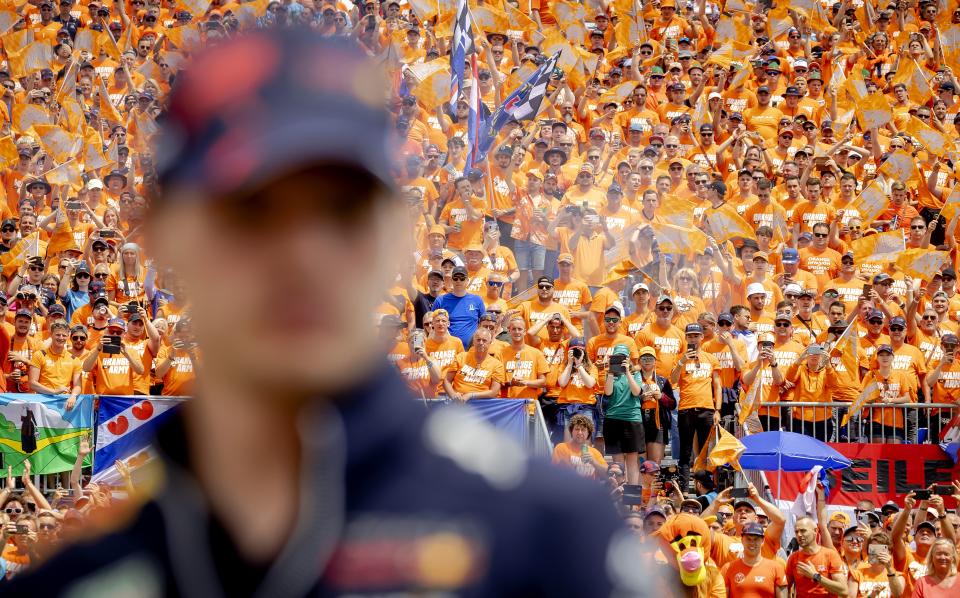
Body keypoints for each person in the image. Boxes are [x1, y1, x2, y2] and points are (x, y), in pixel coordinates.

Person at [7, 32, 624, 596]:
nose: (304, 257)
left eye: (342, 213)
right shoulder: (79, 584)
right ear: (162, 238)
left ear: (394, 241)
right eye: (252, 210)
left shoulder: (548, 545)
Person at [602, 344, 645, 484]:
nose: (620, 361)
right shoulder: (610, 374)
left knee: (632, 460)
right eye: (617, 357)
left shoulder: (635, 373)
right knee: (617, 463)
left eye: (623, 357)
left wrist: (627, 371)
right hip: (613, 419)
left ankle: (631, 496)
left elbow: (636, 392)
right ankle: (619, 492)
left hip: (631, 418)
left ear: (628, 358)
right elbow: (608, 393)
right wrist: (610, 371)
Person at [720, 522, 788, 598]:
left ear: (762, 541)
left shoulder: (776, 568)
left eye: (756, 539)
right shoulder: (727, 568)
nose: (752, 543)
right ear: (742, 540)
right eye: (748, 539)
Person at [785, 516, 848, 596]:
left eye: (803, 531)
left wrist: (815, 576)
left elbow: (844, 591)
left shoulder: (830, 555)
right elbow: (785, 588)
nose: (799, 535)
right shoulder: (793, 558)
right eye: (796, 532)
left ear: (815, 531)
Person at [431, 265, 486, 348]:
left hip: (472, 348)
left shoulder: (477, 300)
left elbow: (484, 324)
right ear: (451, 280)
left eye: (462, 278)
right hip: (448, 349)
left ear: (467, 280)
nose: (458, 281)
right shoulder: (440, 300)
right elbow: (431, 325)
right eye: (455, 278)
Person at [551, 413, 608, 479]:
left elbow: (607, 474)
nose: (580, 432)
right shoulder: (561, 448)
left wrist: (594, 462)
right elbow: (554, 472)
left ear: (588, 433)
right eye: (577, 429)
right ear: (571, 431)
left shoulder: (595, 452)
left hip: (589, 488)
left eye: (583, 430)